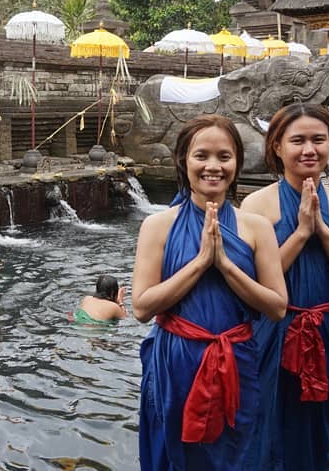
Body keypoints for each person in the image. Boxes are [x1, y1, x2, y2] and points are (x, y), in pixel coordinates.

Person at [132, 114, 287, 470]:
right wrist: (201, 263)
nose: (213, 166)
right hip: (176, 361)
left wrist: (227, 266)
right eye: (202, 155)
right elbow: (141, 308)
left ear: (237, 162)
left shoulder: (256, 227)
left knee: (237, 453)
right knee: (173, 453)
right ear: (183, 160)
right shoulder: (157, 226)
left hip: (237, 358)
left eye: (224, 156)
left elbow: (278, 307)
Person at [240, 103, 329, 471]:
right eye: (297, 140)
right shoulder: (256, 205)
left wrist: (325, 233)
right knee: (270, 428)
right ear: (277, 147)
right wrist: (301, 233)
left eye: (319, 139)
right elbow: (250, 285)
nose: (309, 149)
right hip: (274, 334)